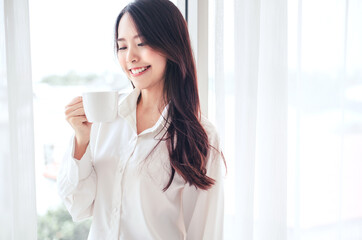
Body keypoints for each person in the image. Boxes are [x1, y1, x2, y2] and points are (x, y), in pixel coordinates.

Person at [57, 0, 225, 239]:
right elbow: (78, 206)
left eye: (142, 43)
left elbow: (205, 231)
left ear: (171, 45)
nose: (130, 57)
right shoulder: (105, 117)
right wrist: (81, 141)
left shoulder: (201, 136)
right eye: (122, 46)